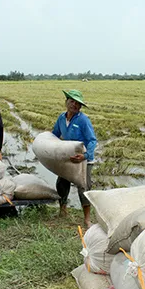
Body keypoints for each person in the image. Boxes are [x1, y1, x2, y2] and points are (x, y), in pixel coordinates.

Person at [52, 89, 97, 228]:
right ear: (66, 102)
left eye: (78, 104)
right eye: (72, 102)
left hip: (83, 159)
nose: (74, 105)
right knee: (61, 183)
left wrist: (85, 155)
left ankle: (87, 219)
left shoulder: (83, 120)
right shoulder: (61, 118)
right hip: (68, 157)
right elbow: (54, 134)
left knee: (83, 187)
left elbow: (92, 140)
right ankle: (63, 210)